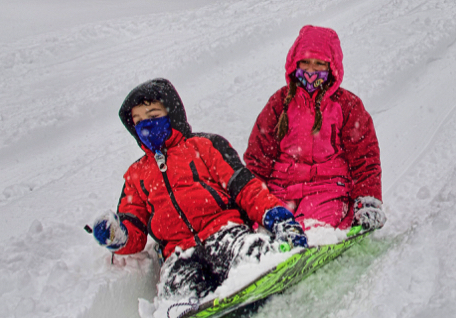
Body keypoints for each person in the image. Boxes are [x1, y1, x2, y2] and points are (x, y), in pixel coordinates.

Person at [91, 79, 307, 302]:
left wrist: (277, 217)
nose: (146, 126)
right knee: (177, 292)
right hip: (178, 252)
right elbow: (134, 229)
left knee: (249, 257)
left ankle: (265, 260)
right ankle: (184, 304)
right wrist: (117, 236)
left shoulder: (204, 146)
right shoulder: (136, 175)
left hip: (224, 232)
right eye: (138, 121)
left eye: (153, 116)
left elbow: (246, 189)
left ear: (171, 113)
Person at [245, 25, 384, 232]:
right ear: (295, 63)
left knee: (312, 227)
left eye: (319, 65)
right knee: (265, 225)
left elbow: (364, 159)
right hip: (281, 189)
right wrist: (250, 197)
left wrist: (367, 200)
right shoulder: (280, 102)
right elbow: (259, 157)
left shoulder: (347, 105)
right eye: (305, 63)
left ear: (332, 67)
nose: (311, 71)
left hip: (327, 190)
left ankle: (308, 240)